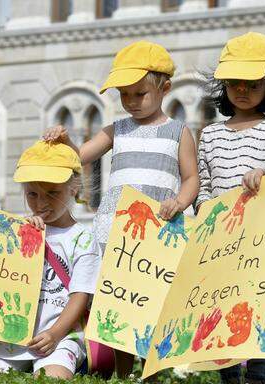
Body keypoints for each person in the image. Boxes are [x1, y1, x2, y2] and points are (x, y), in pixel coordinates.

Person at [43, 40, 199, 377]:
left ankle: (152, 371)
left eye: (139, 93)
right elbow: (79, 157)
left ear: (165, 88)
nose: (130, 101)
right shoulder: (117, 129)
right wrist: (64, 140)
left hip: (159, 227)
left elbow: (191, 178)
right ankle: (123, 372)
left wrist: (181, 202)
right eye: (124, 94)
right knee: (120, 302)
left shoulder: (178, 131)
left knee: (152, 301)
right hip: (116, 228)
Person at [195, 32, 265, 384]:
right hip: (221, 243)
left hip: (263, 242)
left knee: (257, 309)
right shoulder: (209, 134)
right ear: (222, 85)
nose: (242, 89)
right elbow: (204, 185)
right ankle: (228, 378)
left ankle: (257, 376)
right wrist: (207, 211)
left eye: (252, 82)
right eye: (234, 82)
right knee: (221, 310)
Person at [0, 140, 100, 379]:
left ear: (73, 188)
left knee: (53, 377)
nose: (41, 203)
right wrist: (24, 234)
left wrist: (54, 334)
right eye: (32, 194)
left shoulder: (82, 238)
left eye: (52, 193)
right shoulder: (16, 230)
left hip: (61, 336)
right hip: (11, 337)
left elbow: (80, 295)